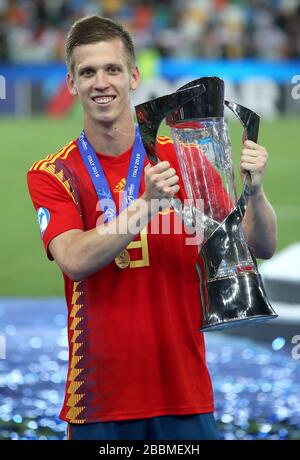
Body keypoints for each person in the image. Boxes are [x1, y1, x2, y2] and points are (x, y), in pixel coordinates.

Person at [27, 15, 277, 441]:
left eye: (112, 69)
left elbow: (257, 247)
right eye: (87, 72)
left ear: (134, 76)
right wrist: (145, 205)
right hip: (100, 400)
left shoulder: (187, 158)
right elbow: (73, 260)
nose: (100, 82)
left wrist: (254, 194)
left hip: (186, 392)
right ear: (71, 83)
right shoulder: (54, 174)